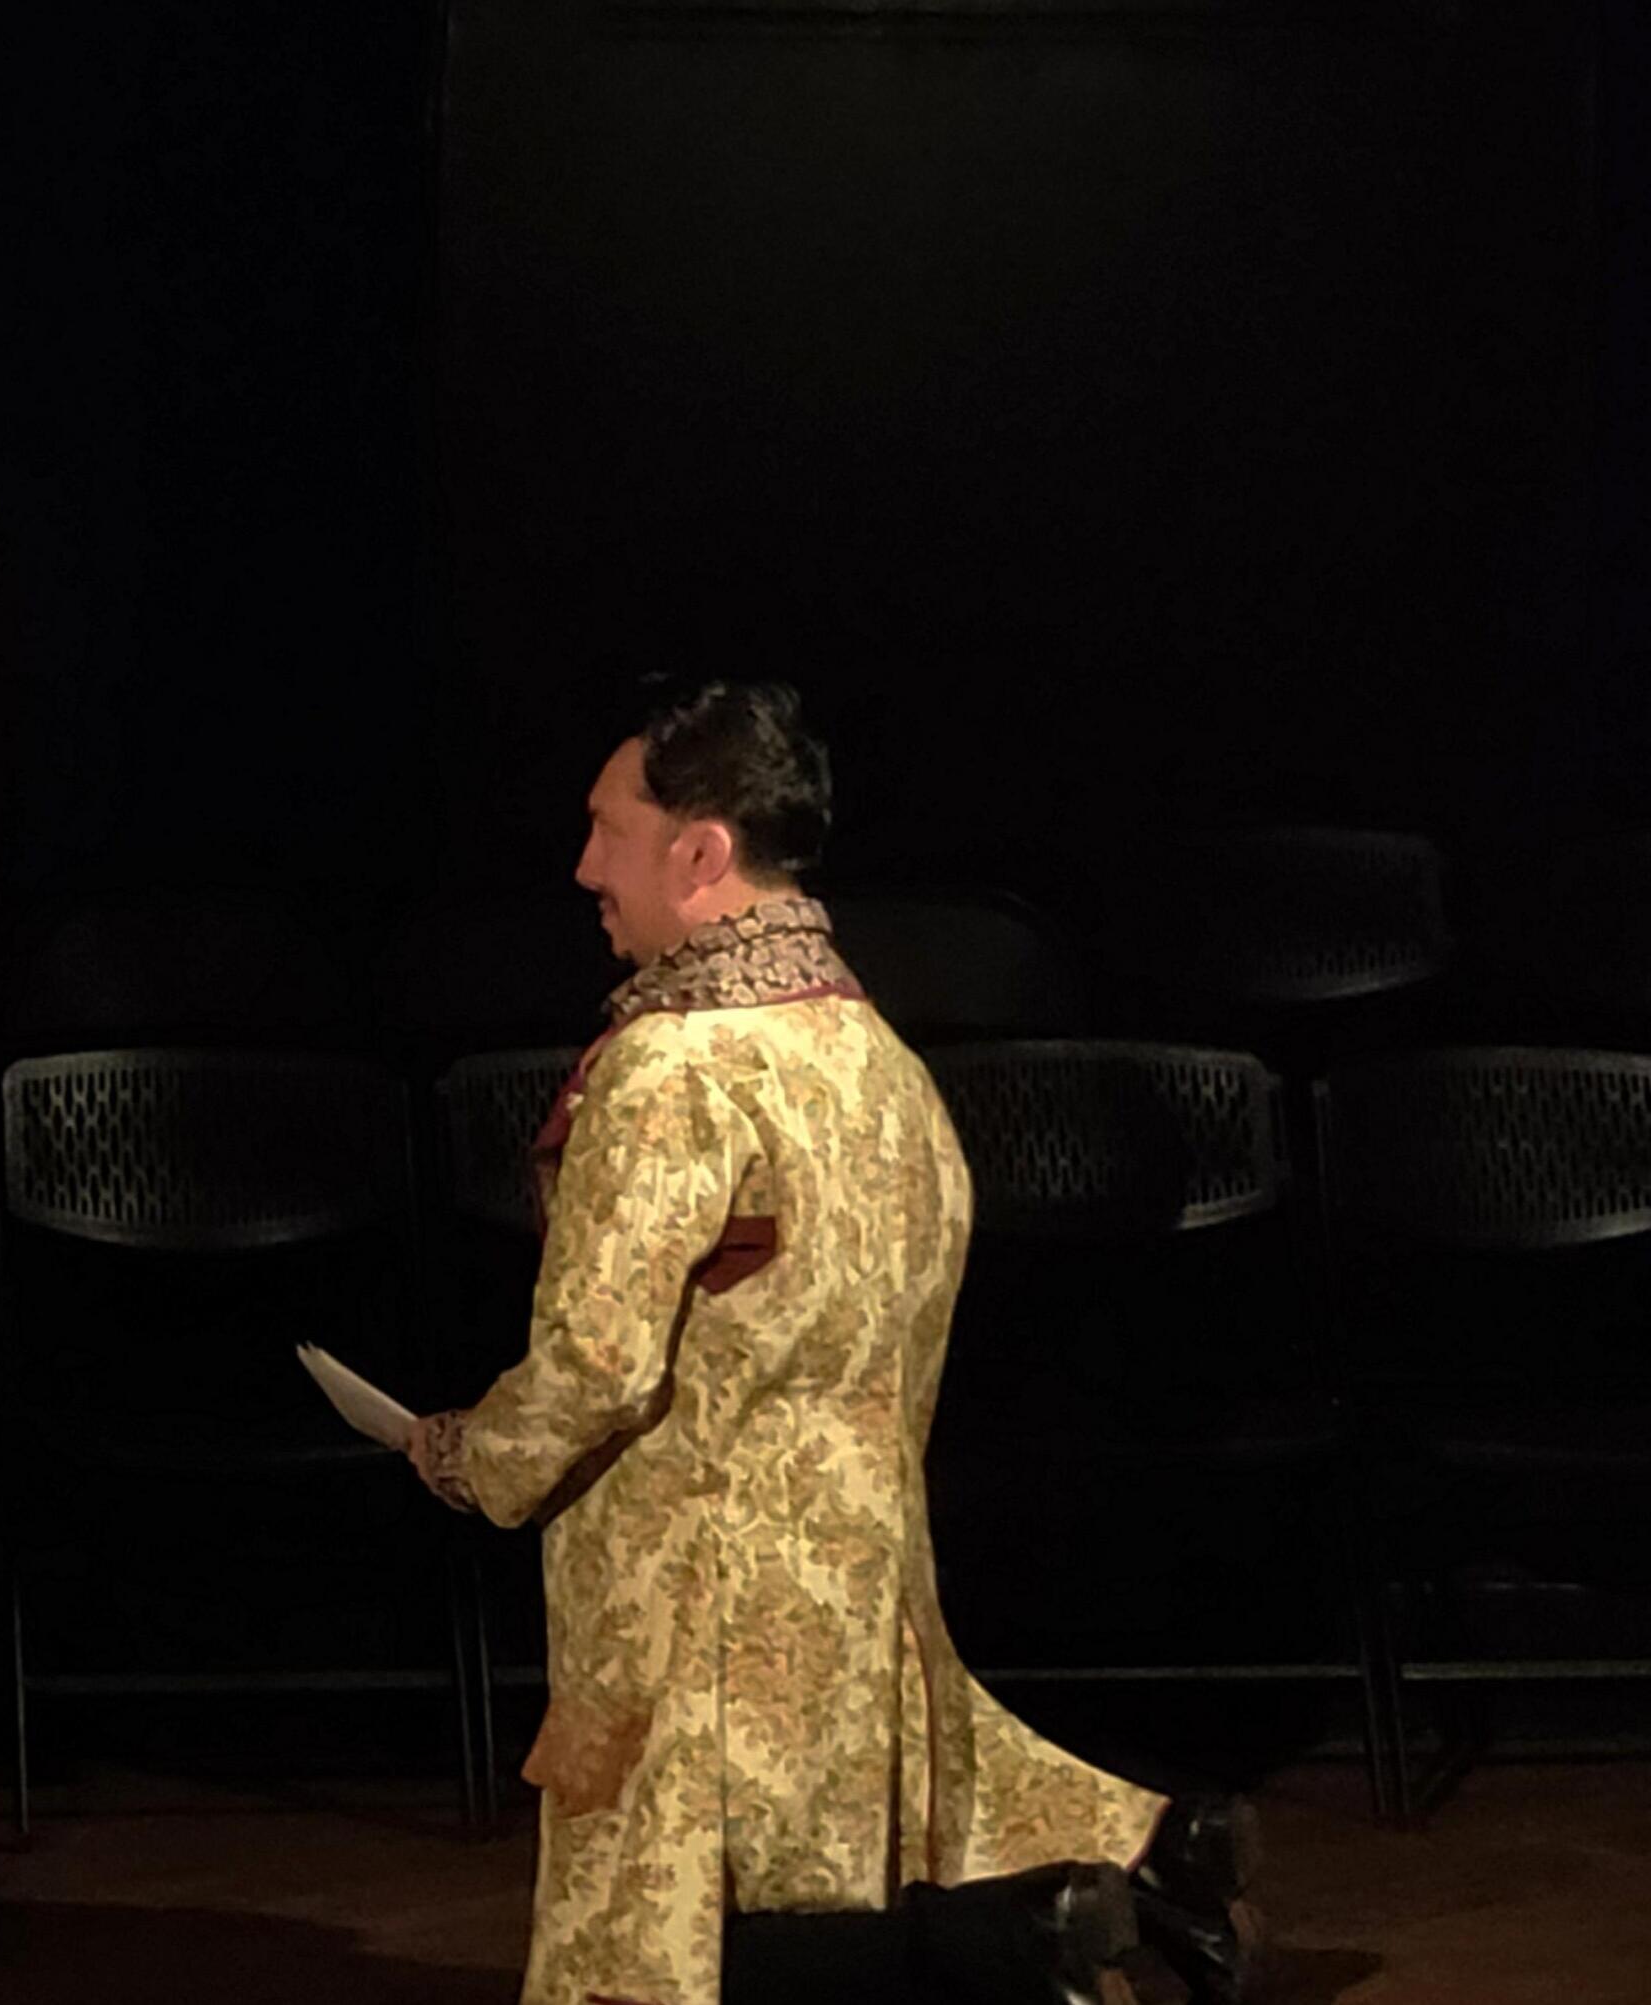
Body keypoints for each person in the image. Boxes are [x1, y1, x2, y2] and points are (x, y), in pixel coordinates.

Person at [408, 681, 1255, 2005]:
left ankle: (1063, 1916)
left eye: (607, 830)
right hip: (859, 1568)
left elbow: (597, 1365)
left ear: (698, 853)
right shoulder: (878, 1057)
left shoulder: (669, 1070)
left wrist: (468, 1455)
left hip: (684, 1602)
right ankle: (1120, 1873)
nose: (582, 867)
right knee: (867, 1880)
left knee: (656, 1942)